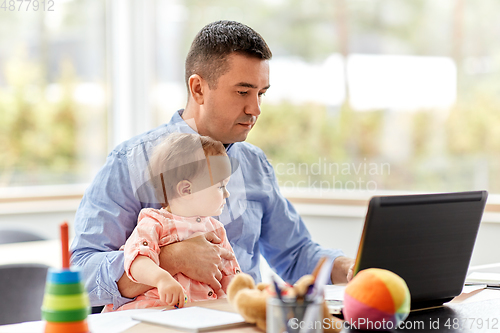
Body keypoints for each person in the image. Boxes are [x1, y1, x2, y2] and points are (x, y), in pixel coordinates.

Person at [71, 20, 354, 311]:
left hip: (241, 323)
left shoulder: (254, 163)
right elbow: (80, 277)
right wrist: (171, 258)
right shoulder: (131, 162)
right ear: (198, 89)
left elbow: (295, 254)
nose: (255, 109)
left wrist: (347, 268)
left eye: (261, 94)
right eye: (243, 92)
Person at [104, 133, 240, 312]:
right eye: (220, 186)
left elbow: (231, 275)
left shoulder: (216, 230)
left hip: (200, 314)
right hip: (153, 311)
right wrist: (161, 279)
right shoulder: (154, 223)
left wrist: (242, 296)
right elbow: (136, 259)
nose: (227, 194)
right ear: (186, 189)